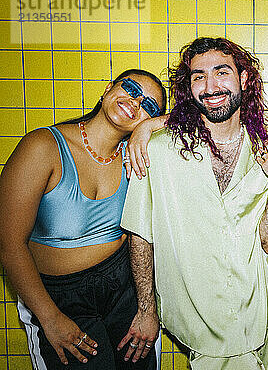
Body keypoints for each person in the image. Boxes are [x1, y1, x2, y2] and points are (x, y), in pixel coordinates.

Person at [119, 37, 268, 370]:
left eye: (221, 72)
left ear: (243, 79)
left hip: (261, 312)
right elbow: (140, 235)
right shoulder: (156, 148)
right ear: (189, 87)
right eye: (199, 76)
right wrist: (145, 309)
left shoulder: (265, 149)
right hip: (202, 318)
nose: (210, 86)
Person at [0, 69, 167, 369]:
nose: (135, 101)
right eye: (129, 88)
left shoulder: (135, 157)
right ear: (107, 89)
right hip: (59, 297)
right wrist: (49, 318)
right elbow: (9, 244)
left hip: (123, 290)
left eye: (149, 106)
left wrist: (147, 308)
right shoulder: (43, 146)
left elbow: (203, 119)